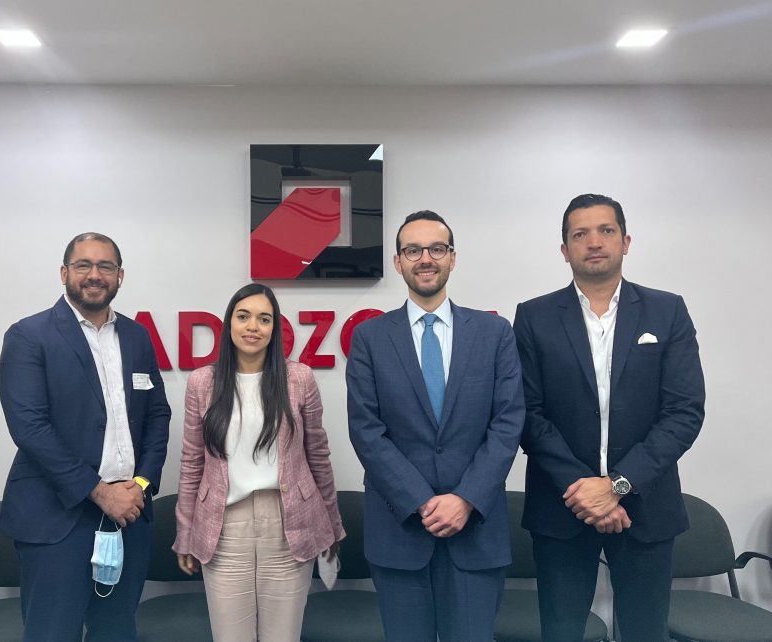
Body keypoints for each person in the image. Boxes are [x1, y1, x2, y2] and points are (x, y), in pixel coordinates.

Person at [514, 193, 705, 642]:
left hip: (646, 507)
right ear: (565, 250)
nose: (594, 242)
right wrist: (585, 491)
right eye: (580, 234)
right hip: (563, 506)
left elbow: (683, 411)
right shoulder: (534, 317)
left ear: (626, 241)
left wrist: (616, 486)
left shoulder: (667, 311)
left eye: (606, 230)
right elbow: (527, 413)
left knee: (644, 633)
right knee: (561, 632)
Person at [346, 210, 524, 642]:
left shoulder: (494, 333)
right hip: (400, 530)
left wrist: (465, 498)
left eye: (436, 249)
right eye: (413, 250)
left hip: (475, 531)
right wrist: (422, 501)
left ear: (453, 258)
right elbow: (366, 430)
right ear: (398, 262)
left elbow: (508, 422)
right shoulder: (370, 338)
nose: (425, 258)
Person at [0, 232, 170, 642]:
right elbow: (30, 427)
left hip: (128, 514)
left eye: (105, 266)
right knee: (52, 634)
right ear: (64, 273)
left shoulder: (137, 336)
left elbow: (157, 415)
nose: (94, 275)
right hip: (57, 519)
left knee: (117, 632)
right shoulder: (29, 335)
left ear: (120, 275)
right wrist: (99, 491)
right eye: (83, 265)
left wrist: (140, 485)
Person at [173, 283, 345, 642]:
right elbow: (192, 463)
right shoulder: (203, 382)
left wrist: (332, 524)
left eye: (264, 319)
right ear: (229, 323)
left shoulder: (299, 378)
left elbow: (318, 455)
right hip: (224, 528)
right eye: (244, 316)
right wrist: (185, 534)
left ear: (274, 329)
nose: (253, 326)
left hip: (289, 523)